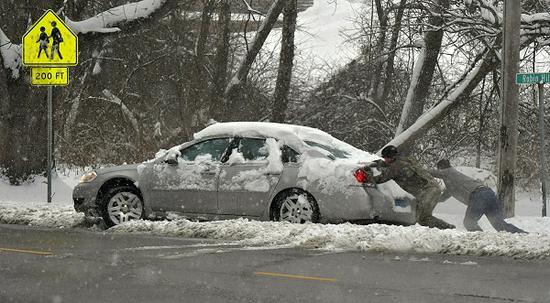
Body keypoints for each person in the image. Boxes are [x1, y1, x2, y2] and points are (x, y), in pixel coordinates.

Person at [370, 145, 455, 229]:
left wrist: (365, 176)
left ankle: (448, 228)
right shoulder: (403, 160)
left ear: (391, 157)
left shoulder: (396, 166)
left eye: (386, 157)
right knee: (419, 217)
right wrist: (378, 163)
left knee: (423, 218)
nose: (385, 159)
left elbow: (379, 179)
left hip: (429, 190)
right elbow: (387, 164)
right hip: (431, 188)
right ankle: (443, 229)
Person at [430, 159, 526, 233]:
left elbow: (432, 173)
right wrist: (427, 198)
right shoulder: (451, 186)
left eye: (439, 169)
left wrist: (418, 170)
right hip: (488, 194)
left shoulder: (449, 171)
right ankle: (524, 235)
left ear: (442, 168)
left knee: (469, 222)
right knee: (499, 225)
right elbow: (442, 198)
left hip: (479, 195)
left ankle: (481, 239)